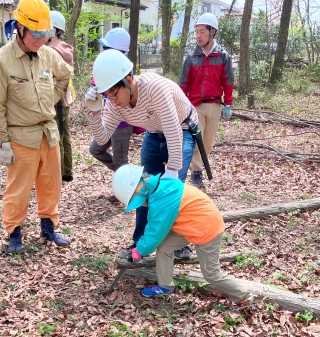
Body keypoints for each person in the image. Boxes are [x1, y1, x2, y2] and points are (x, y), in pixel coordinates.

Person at [85, 49, 198, 259]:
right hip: (154, 133)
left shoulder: (155, 88)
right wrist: (94, 112)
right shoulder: (116, 104)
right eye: (107, 95)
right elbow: (102, 139)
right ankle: (140, 243)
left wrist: (172, 170)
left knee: (172, 190)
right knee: (144, 187)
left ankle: (179, 244)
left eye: (114, 93)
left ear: (128, 80)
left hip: (182, 128)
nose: (112, 99)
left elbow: (173, 127)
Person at [0, 0, 73, 253]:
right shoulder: (1, 60)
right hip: (21, 136)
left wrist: (52, 99)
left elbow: (65, 75)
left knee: (50, 184)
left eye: (45, 34)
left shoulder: (49, 54)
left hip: (49, 133)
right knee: (19, 188)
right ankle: (14, 232)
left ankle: (48, 227)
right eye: (35, 34)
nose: (40, 40)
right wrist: (2, 141)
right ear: (20, 28)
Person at [112, 164, 254, 304]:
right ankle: (165, 286)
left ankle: (246, 298)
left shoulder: (161, 201)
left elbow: (154, 234)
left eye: (136, 201)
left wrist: (139, 251)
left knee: (212, 274)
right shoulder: (161, 187)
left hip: (206, 229)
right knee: (165, 246)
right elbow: (157, 231)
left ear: (139, 193)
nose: (139, 205)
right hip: (191, 224)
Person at [180, 13, 234, 188]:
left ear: (213, 32)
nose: (198, 35)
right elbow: (183, 84)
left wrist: (228, 104)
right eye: (196, 32)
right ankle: (196, 173)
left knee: (208, 143)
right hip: (194, 106)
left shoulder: (223, 56)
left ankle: (198, 168)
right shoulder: (191, 58)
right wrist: (180, 106)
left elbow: (228, 81)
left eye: (202, 31)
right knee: (197, 140)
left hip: (215, 105)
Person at [88, 28, 142, 202]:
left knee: (120, 161)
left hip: (122, 126)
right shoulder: (106, 67)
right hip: (109, 122)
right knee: (96, 149)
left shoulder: (125, 72)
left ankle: (127, 188)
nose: (103, 51)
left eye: (107, 48)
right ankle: (128, 177)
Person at [48, 10, 74, 182]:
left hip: (56, 98)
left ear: (54, 30)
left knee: (57, 135)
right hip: (64, 98)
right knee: (64, 134)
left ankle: (59, 172)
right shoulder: (65, 48)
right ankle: (66, 170)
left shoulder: (52, 50)